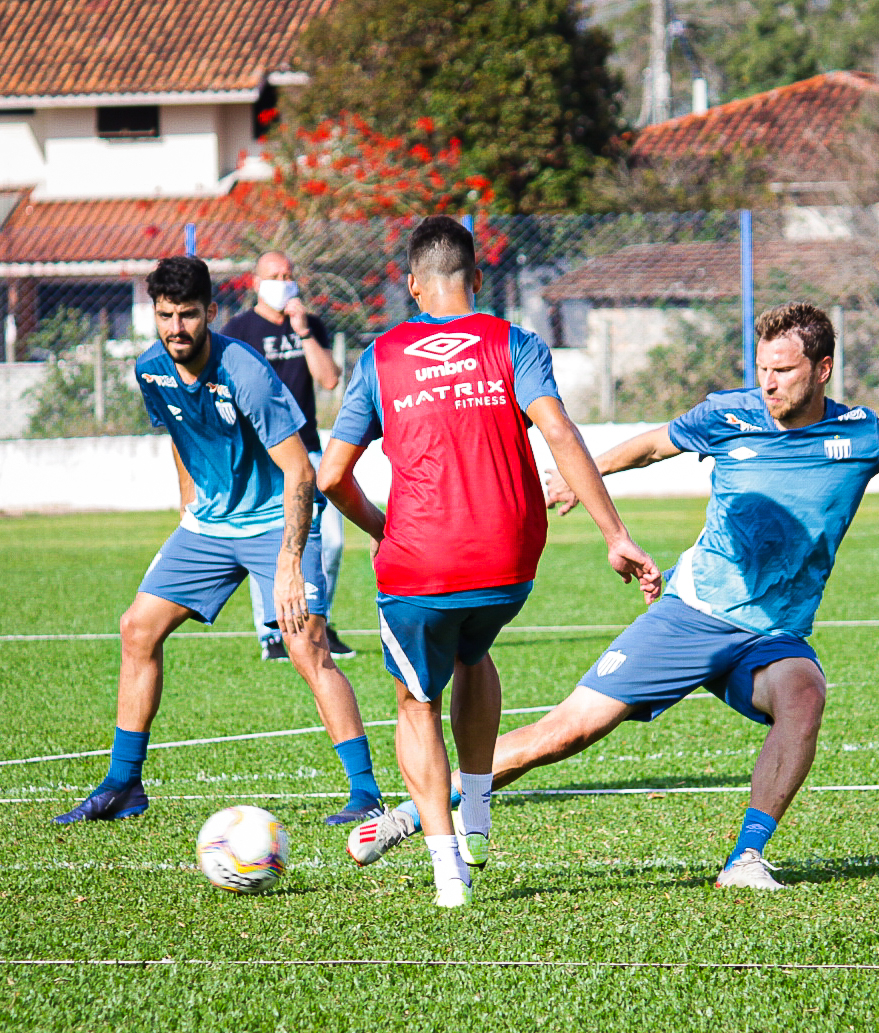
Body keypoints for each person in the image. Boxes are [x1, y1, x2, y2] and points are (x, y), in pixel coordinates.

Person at [346, 300, 879, 890]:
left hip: (770, 637)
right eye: (760, 368)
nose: (766, 383)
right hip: (691, 615)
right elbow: (655, 441)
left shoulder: (864, 435)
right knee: (563, 736)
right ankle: (420, 811)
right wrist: (582, 480)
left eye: (784, 370)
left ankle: (746, 856)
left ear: (822, 369)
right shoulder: (727, 415)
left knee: (804, 694)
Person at [318, 216, 659, 908]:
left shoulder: (380, 358)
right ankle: (475, 812)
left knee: (416, 700)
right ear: (476, 280)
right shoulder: (514, 342)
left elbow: (329, 478)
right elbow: (558, 430)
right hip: (508, 561)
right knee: (473, 650)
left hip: (420, 564)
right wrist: (613, 533)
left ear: (412, 287)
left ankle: (448, 868)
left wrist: (382, 528)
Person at [54, 256, 384, 828]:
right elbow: (182, 437)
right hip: (207, 528)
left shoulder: (247, 373)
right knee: (137, 628)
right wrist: (188, 510)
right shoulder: (150, 369)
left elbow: (300, 472)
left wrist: (288, 560)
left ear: (209, 312)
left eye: (186, 315)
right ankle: (123, 784)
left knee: (306, 645)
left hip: (272, 522)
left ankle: (365, 791)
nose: (175, 327)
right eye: (164, 315)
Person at [221, 251, 354, 662]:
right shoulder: (238, 330)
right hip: (263, 455)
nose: (284, 281)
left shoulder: (309, 324)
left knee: (329, 542)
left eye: (289, 275)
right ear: (255, 283)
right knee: (271, 543)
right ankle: (272, 634)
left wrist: (303, 331)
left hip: (309, 450)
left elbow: (329, 379)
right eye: (275, 276)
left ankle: (321, 622)